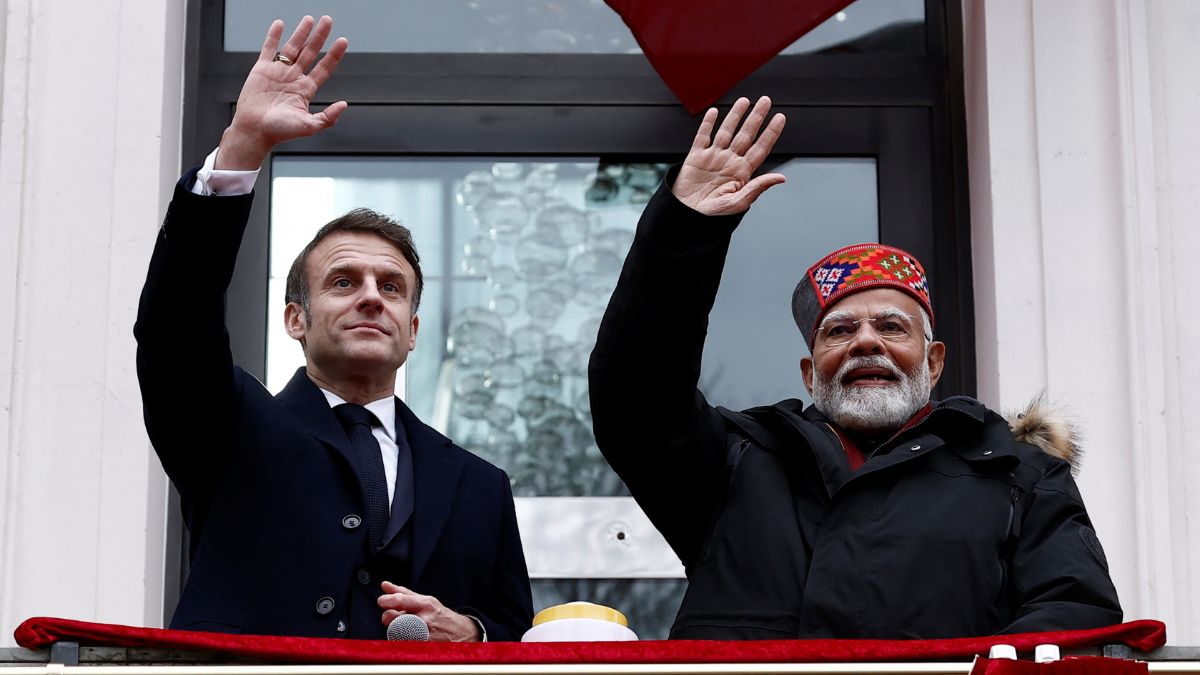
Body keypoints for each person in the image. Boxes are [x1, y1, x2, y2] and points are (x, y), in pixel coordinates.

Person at [588, 96, 1122, 640]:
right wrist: (684, 231)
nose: (866, 342)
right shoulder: (734, 461)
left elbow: (1074, 611)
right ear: (808, 372)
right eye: (839, 331)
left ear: (934, 362)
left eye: (891, 327)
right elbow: (636, 394)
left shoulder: (1018, 474)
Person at [135, 16, 532, 641]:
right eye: (344, 282)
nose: (372, 298)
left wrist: (472, 634)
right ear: (296, 318)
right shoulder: (230, 426)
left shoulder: (480, 485)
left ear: (413, 329)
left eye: (392, 287)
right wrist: (242, 148)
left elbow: (513, 632)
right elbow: (174, 327)